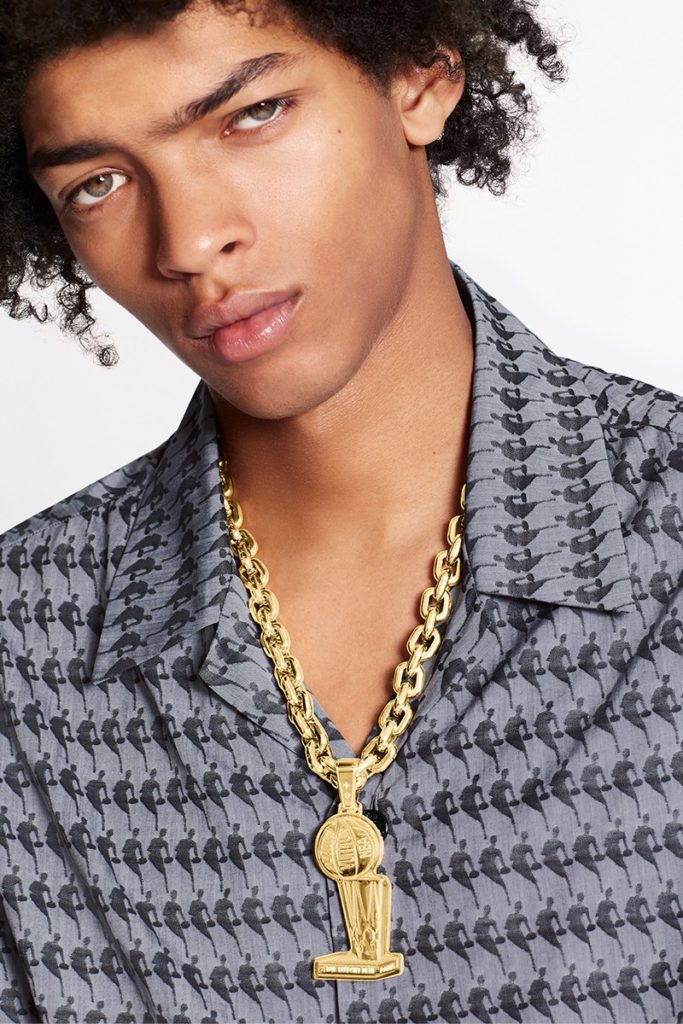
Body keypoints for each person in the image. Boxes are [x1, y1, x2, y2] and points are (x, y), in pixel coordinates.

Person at [0, 1, 681, 1022]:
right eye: (96, 183)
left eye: (252, 115)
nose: (191, 241)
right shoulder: (21, 656)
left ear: (418, 76)